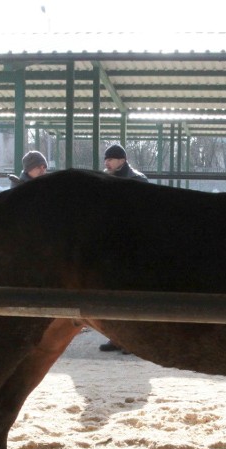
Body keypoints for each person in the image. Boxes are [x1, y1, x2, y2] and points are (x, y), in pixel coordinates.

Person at [98, 143, 148, 353]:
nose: (107, 162)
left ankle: (131, 341)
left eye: (110, 158)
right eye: (106, 159)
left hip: (129, 245)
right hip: (113, 244)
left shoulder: (136, 180)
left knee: (130, 294)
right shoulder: (108, 178)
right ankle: (117, 338)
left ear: (121, 160)